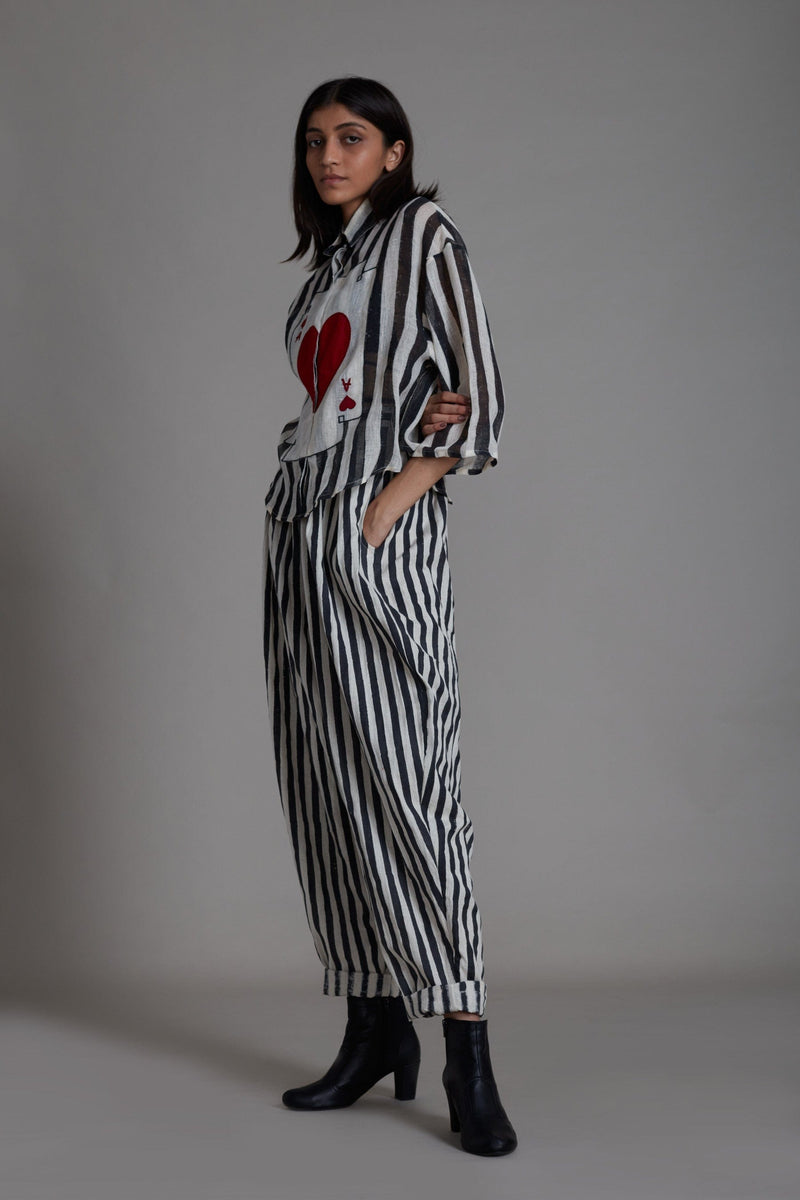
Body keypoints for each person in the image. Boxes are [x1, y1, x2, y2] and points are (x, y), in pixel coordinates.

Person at [261, 76, 517, 1157]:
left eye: (352, 137)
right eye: (315, 140)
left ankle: (465, 1051)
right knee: (324, 781)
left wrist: (390, 501)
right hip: (299, 525)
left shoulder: (422, 235)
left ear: (394, 150)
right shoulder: (332, 262)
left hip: (374, 534)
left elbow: (480, 392)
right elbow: (338, 400)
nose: (330, 155)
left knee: (412, 786)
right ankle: (373, 1025)